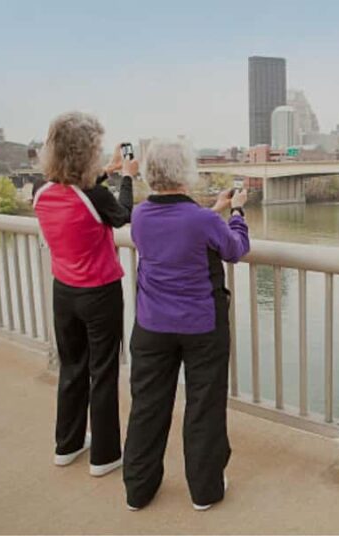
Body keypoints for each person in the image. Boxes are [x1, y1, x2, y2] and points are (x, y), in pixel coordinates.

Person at [123, 139, 249, 511]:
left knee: (147, 406)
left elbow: (178, 231)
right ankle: (205, 491)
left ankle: (138, 491)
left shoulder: (140, 215)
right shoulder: (204, 221)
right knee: (203, 406)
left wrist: (216, 209)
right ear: (186, 173)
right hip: (201, 327)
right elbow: (234, 250)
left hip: (151, 326)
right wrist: (236, 214)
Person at [33, 111, 137, 477]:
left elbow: (78, 190)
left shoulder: (41, 191)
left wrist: (107, 172)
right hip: (100, 294)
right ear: (85, 153)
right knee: (103, 372)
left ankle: (67, 444)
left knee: (72, 368)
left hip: (64, 293)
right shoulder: (94, 195)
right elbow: (122, 214)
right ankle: (106, 455)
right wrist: (126, 177)